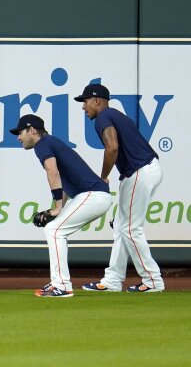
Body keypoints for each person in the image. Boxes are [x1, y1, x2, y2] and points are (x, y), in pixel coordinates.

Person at [9, 114, 112, 297]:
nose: (18, 137)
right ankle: (58, 282)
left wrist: (57, 207)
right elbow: (63, 179)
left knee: (54, 231)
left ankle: (62, 285)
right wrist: (59, 208)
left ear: (32, 130)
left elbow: (52, 172)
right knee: (54, 229)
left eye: (20, 132)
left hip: (92, 195)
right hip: (92, 195)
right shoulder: (50, 142)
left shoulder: (42, 144)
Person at [76, 83, 165, 293]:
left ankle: (153, 280)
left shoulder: (103, 117)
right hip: (145, 170)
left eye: (85, 102)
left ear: (97, 101)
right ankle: (113, 280)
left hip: (139, 172)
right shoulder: (116, 115)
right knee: (122, 227)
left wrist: (103, 177)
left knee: (130, 228)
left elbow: (112, 147)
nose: (83, 107)